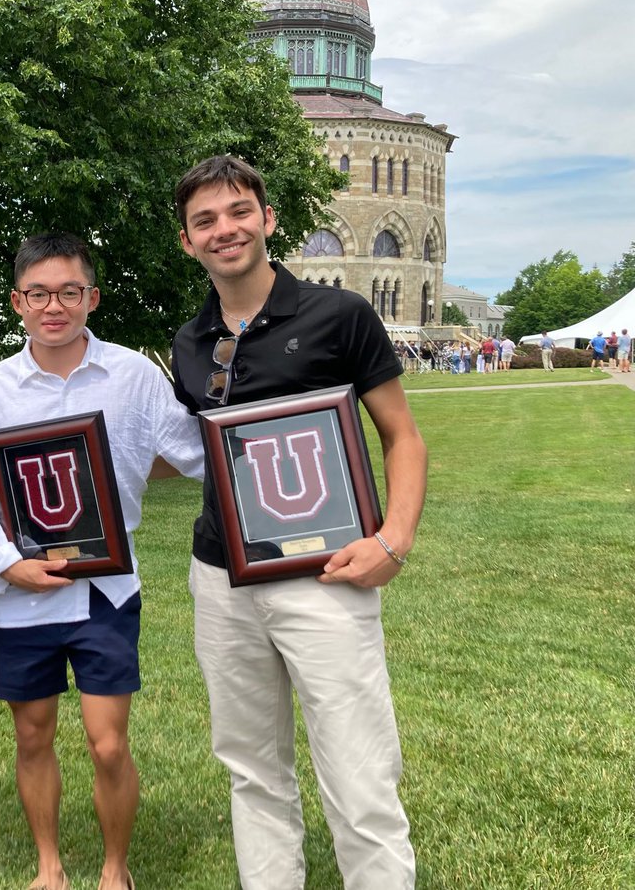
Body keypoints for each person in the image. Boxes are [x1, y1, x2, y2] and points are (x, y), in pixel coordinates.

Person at [169, 155, 427, 890]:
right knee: (252, 770)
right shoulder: (190, 341)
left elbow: (403, 436)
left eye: (238, 211)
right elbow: (189, 451)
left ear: (268, 219)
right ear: (187, 241)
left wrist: (393, 541)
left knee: (358, 769)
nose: (225, 230)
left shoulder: (339, 314)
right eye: (205, 220)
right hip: (223, 576)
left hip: (328, 573)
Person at [0, 232, 204, 890]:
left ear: (91, 298)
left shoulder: (134, 376)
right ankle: (49, 865)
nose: (54, 306)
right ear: (18, 302)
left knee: (109, 742)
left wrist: (266, 426)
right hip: (23, 596)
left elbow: (196, 452)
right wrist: (7, 565)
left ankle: (114, 868)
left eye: (69, 292)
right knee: (33, 736)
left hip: (106, 591)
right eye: (38, 294)